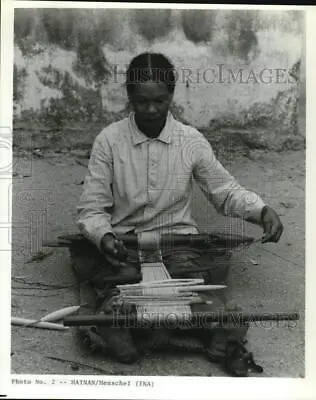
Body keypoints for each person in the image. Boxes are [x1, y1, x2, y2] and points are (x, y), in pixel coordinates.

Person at [75, 52, 283, 375]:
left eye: (160, 100)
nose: (151, 110)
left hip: (181, 244)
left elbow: (224, 190)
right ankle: (134, 322)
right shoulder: (109, 141)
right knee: (122, 289)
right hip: (125, 246)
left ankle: (197, 323)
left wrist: (261, 210)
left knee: (193, 289)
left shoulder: (190, 141)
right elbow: (92, 206)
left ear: (172, 95)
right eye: (141, 101)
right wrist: (104, 237)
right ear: (129, 96)